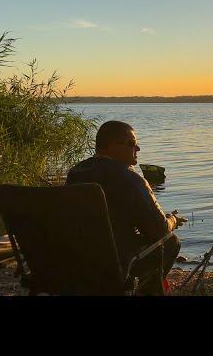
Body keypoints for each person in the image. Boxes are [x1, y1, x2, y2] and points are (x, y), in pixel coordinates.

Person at [66, 120, 187, 294]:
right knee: (170, 241)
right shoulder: (130, 179)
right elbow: (159, 230)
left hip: (76, 261)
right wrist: (172, 220)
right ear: (111, 145)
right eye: (131, 144)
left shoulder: (76, 173)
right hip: (113, 264)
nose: (137, 149)